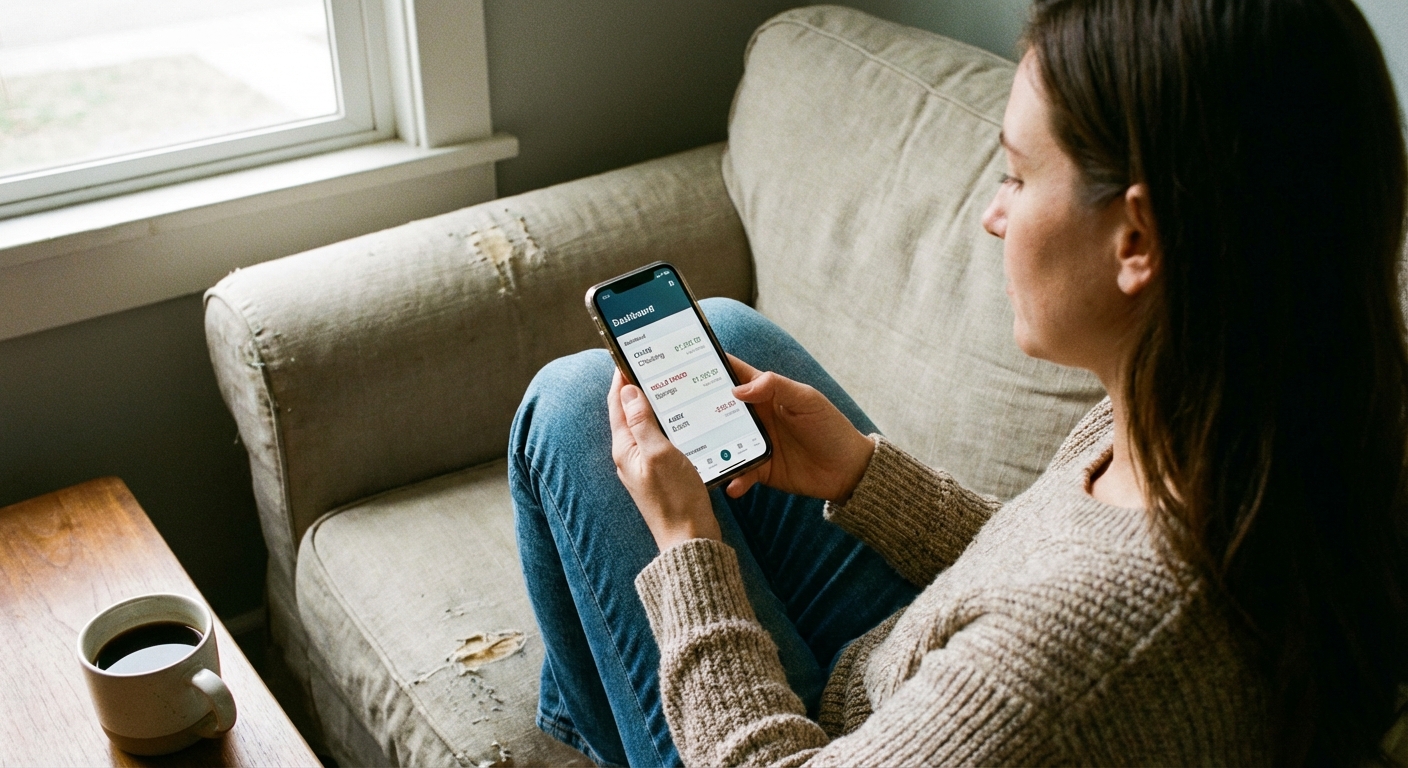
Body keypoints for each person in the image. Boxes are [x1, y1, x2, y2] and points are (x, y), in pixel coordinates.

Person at [509, 0, 1408, 764]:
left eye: (1018, 175)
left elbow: (1055, 631)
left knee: (572, 409)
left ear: (1138, 241)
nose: (993, 215)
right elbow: (1045, 559)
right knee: (730, 334)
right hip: (914, 679)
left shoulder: (1078, 663)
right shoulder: (1241, 406)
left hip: (854, 735)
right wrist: (862, 474)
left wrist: (687, 547)